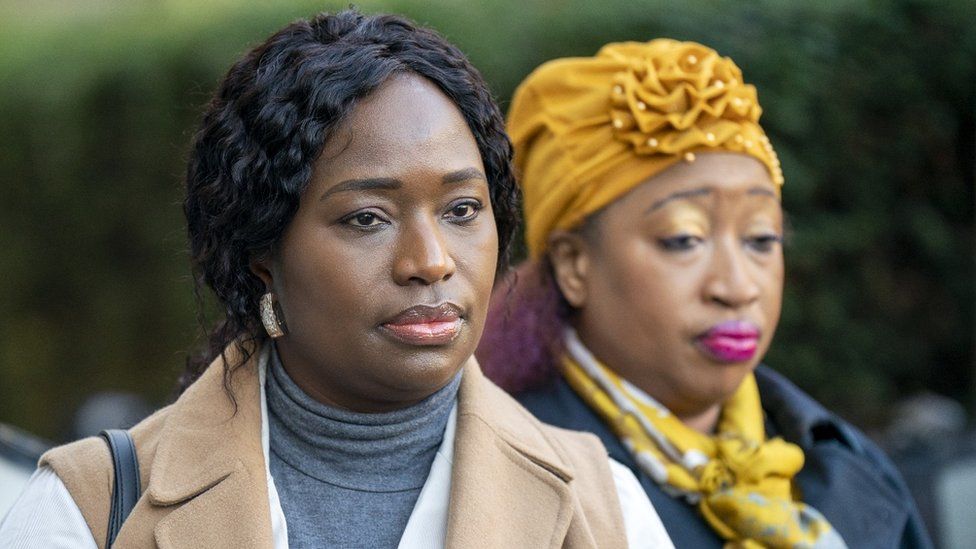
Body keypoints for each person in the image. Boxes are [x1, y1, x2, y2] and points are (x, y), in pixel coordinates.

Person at [0, 12, 673, 548]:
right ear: (263, 247)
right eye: (367, 217)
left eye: (463, 209)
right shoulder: (92, 507)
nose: (431, 259)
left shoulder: (604, 506)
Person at [478, 39, 932, 548]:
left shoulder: (845, 463)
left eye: (762, 239)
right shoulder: (506, 490)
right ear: (574, 265)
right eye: (684, 240)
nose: (737, 288)